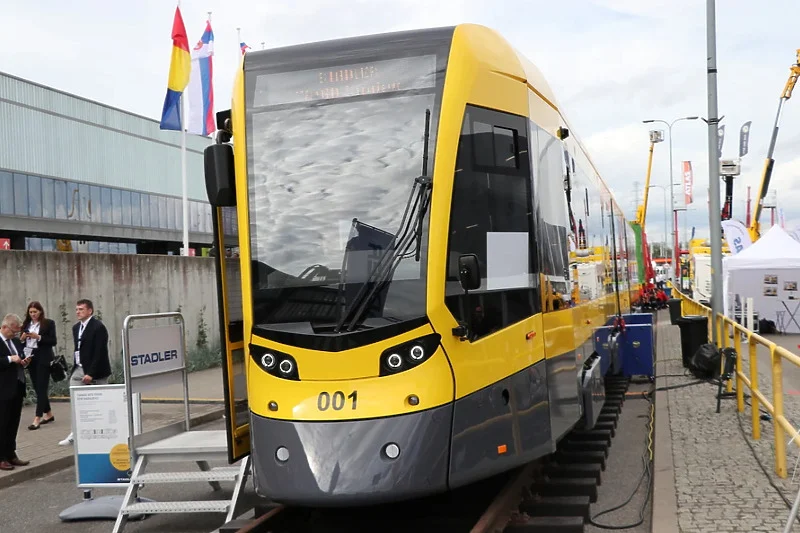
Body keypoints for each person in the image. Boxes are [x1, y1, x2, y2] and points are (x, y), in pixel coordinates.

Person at [58, 299, 111, 446]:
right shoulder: (76, 328)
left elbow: (99, 352)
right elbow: (78, 349)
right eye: (76, 309)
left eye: (81, 309)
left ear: (90, 311)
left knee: (100, 403)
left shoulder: (98, 327)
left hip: (96, 371)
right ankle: (74, 434)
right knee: (76, 401)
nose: (78, 312)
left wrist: (91, 373)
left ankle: (103, 432)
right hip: (79, 369)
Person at [0, 313, 31, 469]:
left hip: (17, 387)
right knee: (2, 423)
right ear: (4, 327)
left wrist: (23, 361)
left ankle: (11, 454)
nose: (15, 334)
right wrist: (10, 359)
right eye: (13, 331)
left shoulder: (15, 342)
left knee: (13, 423)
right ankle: (1, 457)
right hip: (3, 390)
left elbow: (20, 357)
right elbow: (6, 360)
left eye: (17, 332)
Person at [21, 301, 57, 430]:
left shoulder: (48, 323)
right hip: (30, 357)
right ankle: (49, 414)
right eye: (31, 312)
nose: (33, 315)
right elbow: (20, 343)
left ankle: (37, 418)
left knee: (42, 387)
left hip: (44, 357)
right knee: (37, 387)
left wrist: (39, 337)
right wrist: (23, 338)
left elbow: (53, 341)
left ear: (40, 311)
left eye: (35, 312)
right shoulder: (26, 324)